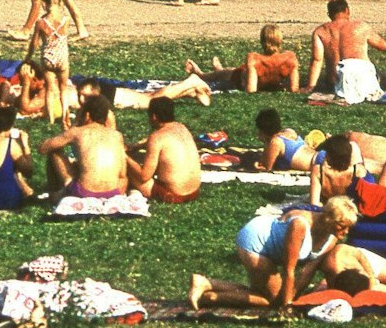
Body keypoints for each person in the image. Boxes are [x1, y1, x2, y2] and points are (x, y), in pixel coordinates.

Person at [190, 200, 351, 315]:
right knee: (273, 300)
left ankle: (207, 283)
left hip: (272, 247)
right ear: (328, 219)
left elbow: (308, 270)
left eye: (348, 228)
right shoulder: (300, 225)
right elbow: (289, 269)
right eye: (342, 226)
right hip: (255, 241)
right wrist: (286, 306)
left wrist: (293, 299)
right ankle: (210, 298)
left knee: (275, 296)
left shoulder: (332, 236)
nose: (345, 232)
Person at [38, 94, 127, 199]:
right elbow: (122, 173)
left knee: (54, 149)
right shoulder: (117, 135)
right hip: (113, 192)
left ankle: (55, 194)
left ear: (87, 115)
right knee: (123, 178)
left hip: (84, 192)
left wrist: (74, 127)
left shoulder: (77, 132)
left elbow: (43, 148)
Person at [308, 0, 386, 104]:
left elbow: (316, 60)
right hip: (362, 77)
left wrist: (311, 86)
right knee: (381, 75)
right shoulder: (361, 26)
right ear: (347, 10)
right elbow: (383, 46)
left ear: (329, 14)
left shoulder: (320, 31)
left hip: (335, 82)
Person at [185, 24, 301, 93]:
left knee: (223, 73)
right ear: (280, 40)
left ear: (262, 41)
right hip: (242, 75)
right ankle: (217, 69)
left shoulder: (255, 59)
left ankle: (200, 73)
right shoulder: (290, 58)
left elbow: (250, 89)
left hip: (238, 77)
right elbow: (294, 88)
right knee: (226, 71)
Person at [128, 96, 200, 203]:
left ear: (154, 117)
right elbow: (165, 139)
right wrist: (139, 145)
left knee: (129, 170)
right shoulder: (182, 127)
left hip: (173, 195)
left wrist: (125, 157)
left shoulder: (156, 137)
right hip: (194, 192)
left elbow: (144, 176)